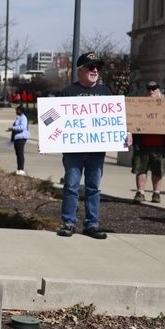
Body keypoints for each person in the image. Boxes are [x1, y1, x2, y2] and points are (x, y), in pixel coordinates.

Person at [56, 52, 114, 240]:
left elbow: (115, 120)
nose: (95, 70)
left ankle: (92, 224)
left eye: (97, 67)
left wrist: (126, 133)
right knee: (72, 186)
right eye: (90, 67)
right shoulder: (67, 92)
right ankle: (68, 223)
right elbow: (52, 119)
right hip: (73, 152)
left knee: (93, 187)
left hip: (96, 152)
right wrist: (49, 137)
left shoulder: (106, 92)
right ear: (80, 70)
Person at [130, 81, 165, 203]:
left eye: (154, 89)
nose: (151, 91)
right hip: (142, 144)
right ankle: (140, 192)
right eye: (149, 89)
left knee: (158, 170)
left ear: (159, 90)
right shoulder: (139, 105)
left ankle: (156, 194)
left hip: (160, 144)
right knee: (140, 169)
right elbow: (132, 121)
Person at [8, 105, 29, 175]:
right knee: (18, 154)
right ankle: (19, 168)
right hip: (17, 137)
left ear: (21, 111)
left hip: (21, 138)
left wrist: (13, 128)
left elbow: (23, 127)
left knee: (20, 153)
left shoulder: (23, 118)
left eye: (17, 110)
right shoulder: (19, 118)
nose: (16, 111)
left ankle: (21, 169)